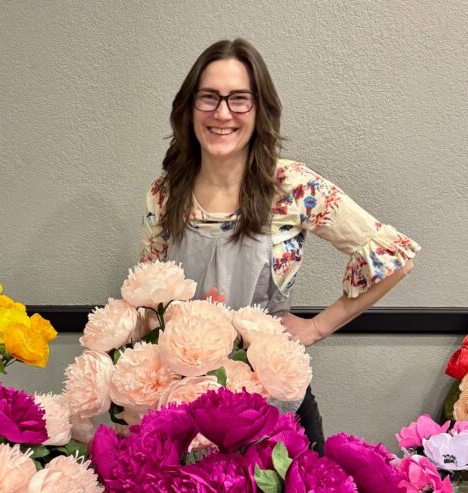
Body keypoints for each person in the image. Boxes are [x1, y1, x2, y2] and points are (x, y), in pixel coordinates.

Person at [140, 38, 418, 452]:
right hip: (186, 407)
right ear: (189, 106)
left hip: (271, 404)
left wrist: (317, 327)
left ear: (259, 109)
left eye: (239, 99)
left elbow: (394, 258)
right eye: (209, 97)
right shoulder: (165, 192)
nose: (222, 113)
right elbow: (148, 302)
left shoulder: (291, 185)